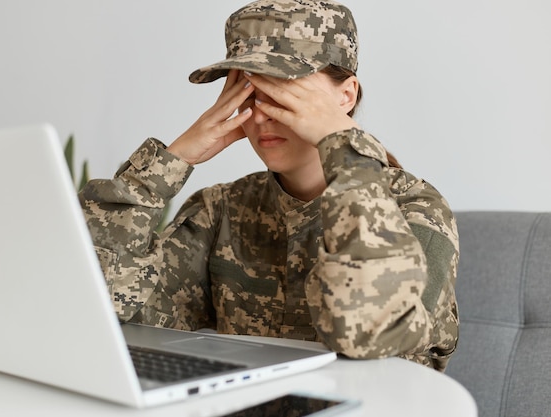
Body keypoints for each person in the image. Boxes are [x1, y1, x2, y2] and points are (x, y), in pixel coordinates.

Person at [79, 0, 459, 372]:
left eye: (284, 91)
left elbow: (370, 336)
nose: (260, 114)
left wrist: (348, 149)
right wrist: (163, 168)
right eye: (248, 92)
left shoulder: (415, 207)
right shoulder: (220, 208)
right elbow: (106, 310)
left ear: (345, 96)